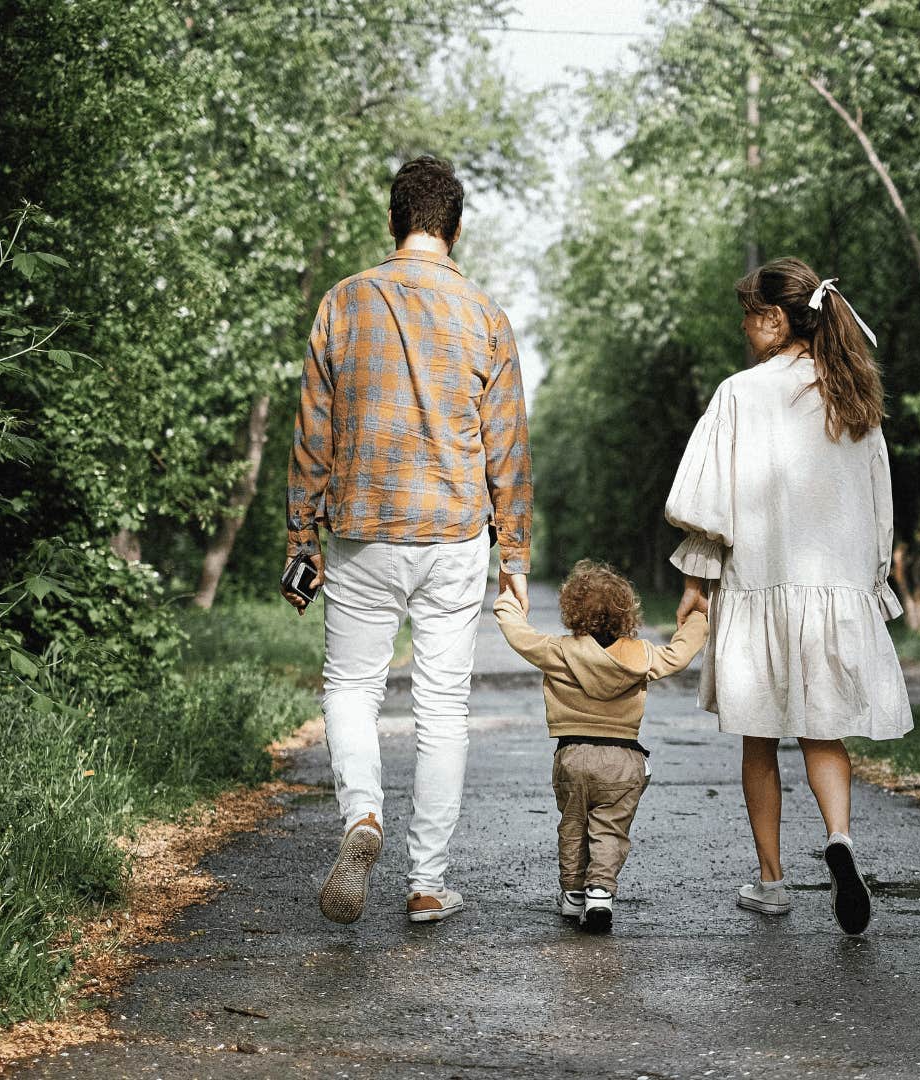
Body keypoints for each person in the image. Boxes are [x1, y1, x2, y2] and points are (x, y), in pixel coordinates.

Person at [283, 155, 532, 925]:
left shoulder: (344, 302)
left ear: (394, 221)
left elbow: (312, 431)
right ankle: (426, 883)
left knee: (351, 687)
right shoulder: (485, 315)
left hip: (361, 530)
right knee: (442, 707)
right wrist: (513, 557)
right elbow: (509, 448)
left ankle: (363, 816)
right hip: (455, 533)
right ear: (454, 229)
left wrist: (302, 537)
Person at [664, 256, 910, 936]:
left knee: (759, 738)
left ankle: (772, 881)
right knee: (822, 731)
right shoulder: (853, 394)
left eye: (749, 316)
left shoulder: (742, 394)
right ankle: (839, 838)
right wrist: (872, 582)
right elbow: (879, 503)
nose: (744, 330)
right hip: (832, 587)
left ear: (773, 320)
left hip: (758, 585)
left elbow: (708, 504)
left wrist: (695, 584)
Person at [494, 560, 707, 933]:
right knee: (609, 828)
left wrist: (508, 600)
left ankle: (573, 892)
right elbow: (679, 654)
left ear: (571, 611)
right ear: (628, 613)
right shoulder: (640, 656)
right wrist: (698, 619)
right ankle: (599, 894)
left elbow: (518, 635)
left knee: (573, 824)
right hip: (623, 758)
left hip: (572, 755)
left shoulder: (559, 651)